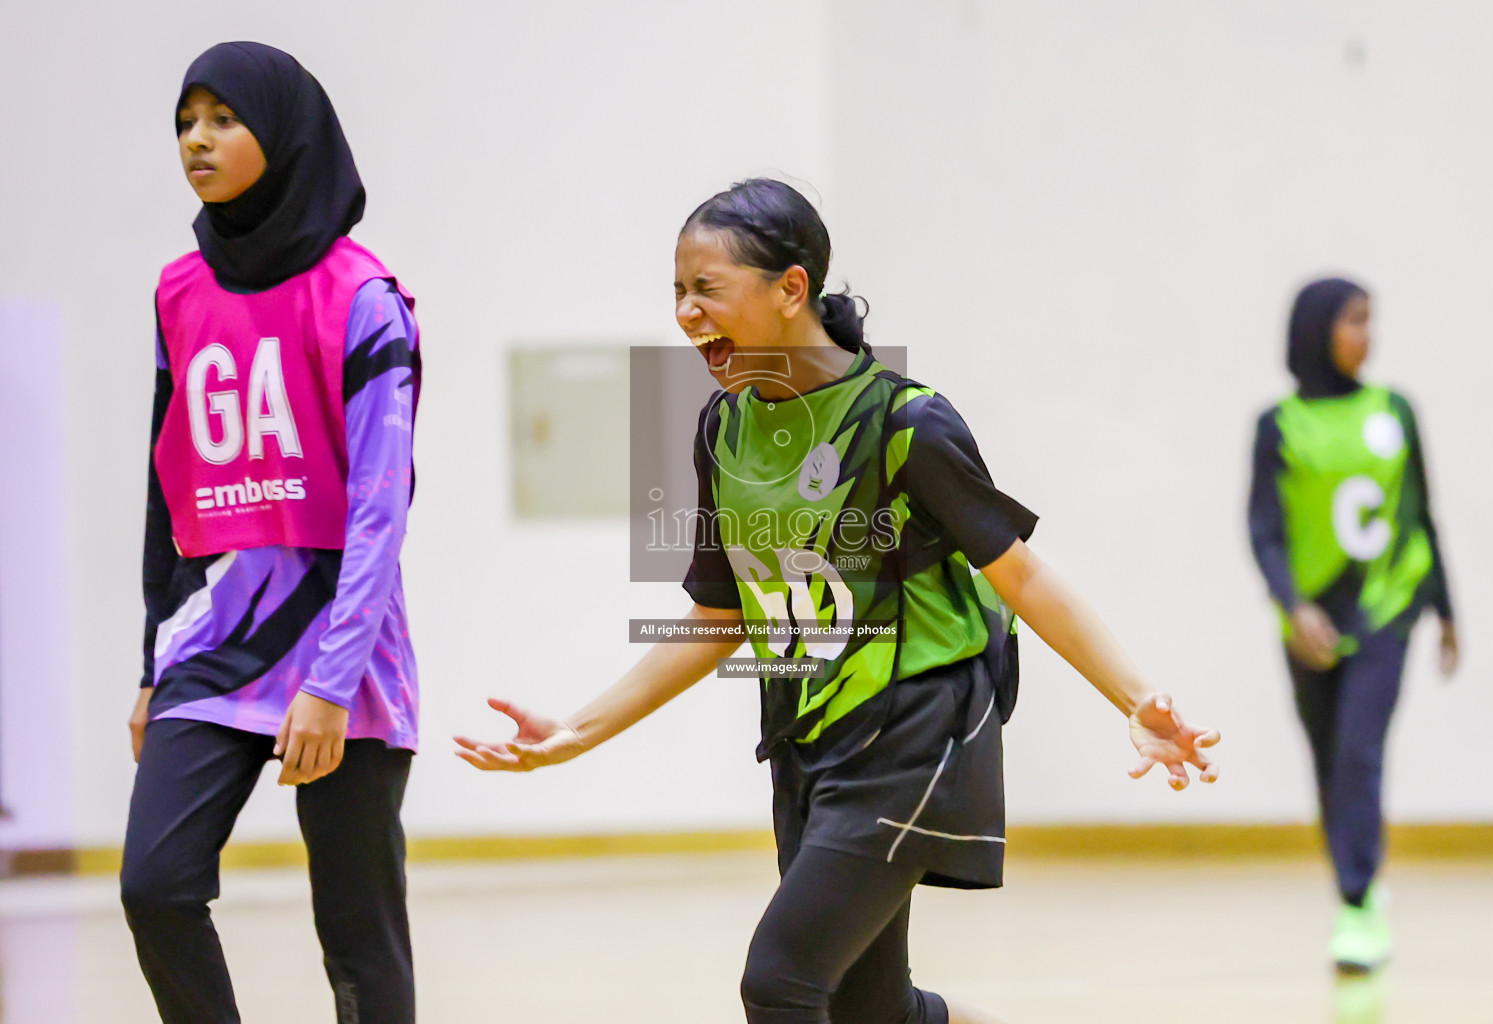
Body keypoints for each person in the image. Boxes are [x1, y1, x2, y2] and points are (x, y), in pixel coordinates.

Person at [456, 178, 1219, 1024]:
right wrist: (577, 731)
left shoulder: (906, 424)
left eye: (706, 288)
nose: (685, 312)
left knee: (781, 981)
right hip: (808, 740)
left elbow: (1024, 577)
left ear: (791, 289)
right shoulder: (724, 428)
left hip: (916, 731)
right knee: (872, 1012)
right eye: (676, 290)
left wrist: (1136, 698)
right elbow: (720, 616)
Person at [122, 41, 422, 1024]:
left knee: (358, 942)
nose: (196, 142)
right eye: (184, 122)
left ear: (283, 134)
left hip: (345, 648)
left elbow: (381, 509)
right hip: (212, 637)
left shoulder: (363, 298)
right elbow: (167, 487)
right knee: (155, 884)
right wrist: (149, 661)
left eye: (222, 119)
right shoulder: (179, 292)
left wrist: (331, 687)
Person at [1247, 277, 1457, 973]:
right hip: (1310, 626)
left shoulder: (1394, 409)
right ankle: (1357, 888)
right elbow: (1264, 531)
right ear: (1316, 331)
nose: (1367, 334)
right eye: (1354, 320)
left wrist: (1447, 609)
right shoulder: (1278, 426)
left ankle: (1359, 902)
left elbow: (1420, 511)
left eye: (1371, 320)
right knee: (1329, 763)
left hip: (1389, 611)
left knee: (1360, 754)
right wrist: (1293, 606)